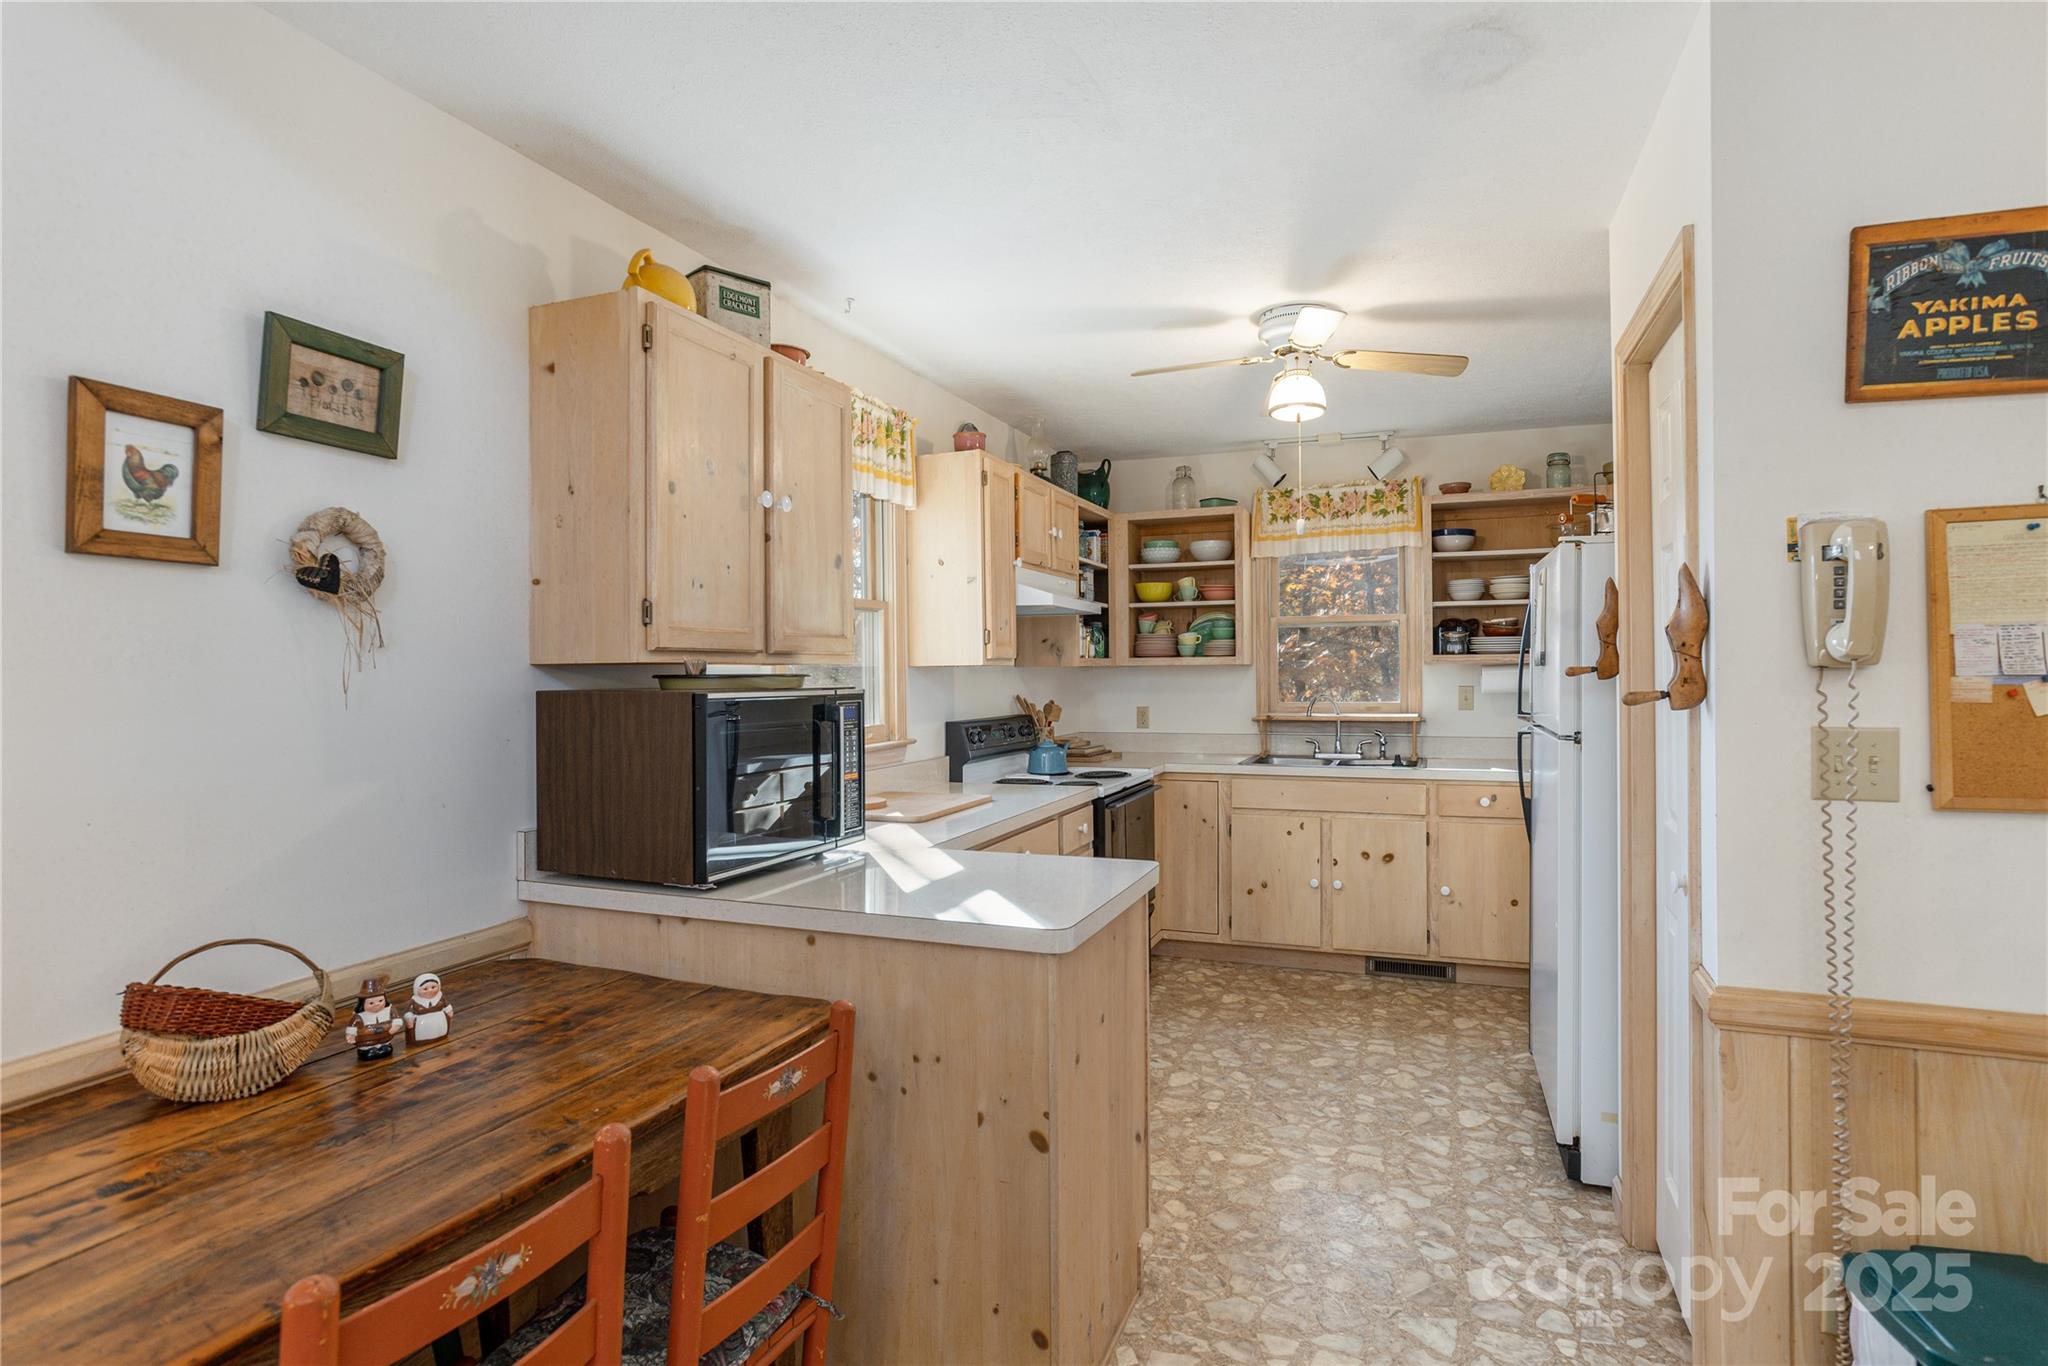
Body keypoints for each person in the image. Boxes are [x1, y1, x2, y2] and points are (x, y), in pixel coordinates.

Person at [345, 977, 399, 1061]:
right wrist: (350, 1035)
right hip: (367, 1042)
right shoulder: (359, 1016)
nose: (376, 1004)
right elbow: (352, 1027)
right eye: (371, 1003)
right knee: (369, 1053)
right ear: (363, 1003)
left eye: (380, 1001)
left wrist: (395, 1025)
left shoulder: (389, 1010)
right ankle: (367, 1050)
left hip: (384, 1039)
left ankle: (384, 1047)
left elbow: (397, 1019)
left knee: (386, 1049)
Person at [404, 971, 454, 1043]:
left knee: (440, 1031)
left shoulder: (440, 997)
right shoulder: (415, 1001)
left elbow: (447, 1006)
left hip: (440, 1021)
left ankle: (440, 1036)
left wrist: (449, 1010)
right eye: (425, 989)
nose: (430, 990)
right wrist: (409, 1017)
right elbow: (408, 1012)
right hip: (421, 1025)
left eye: (433, 987)